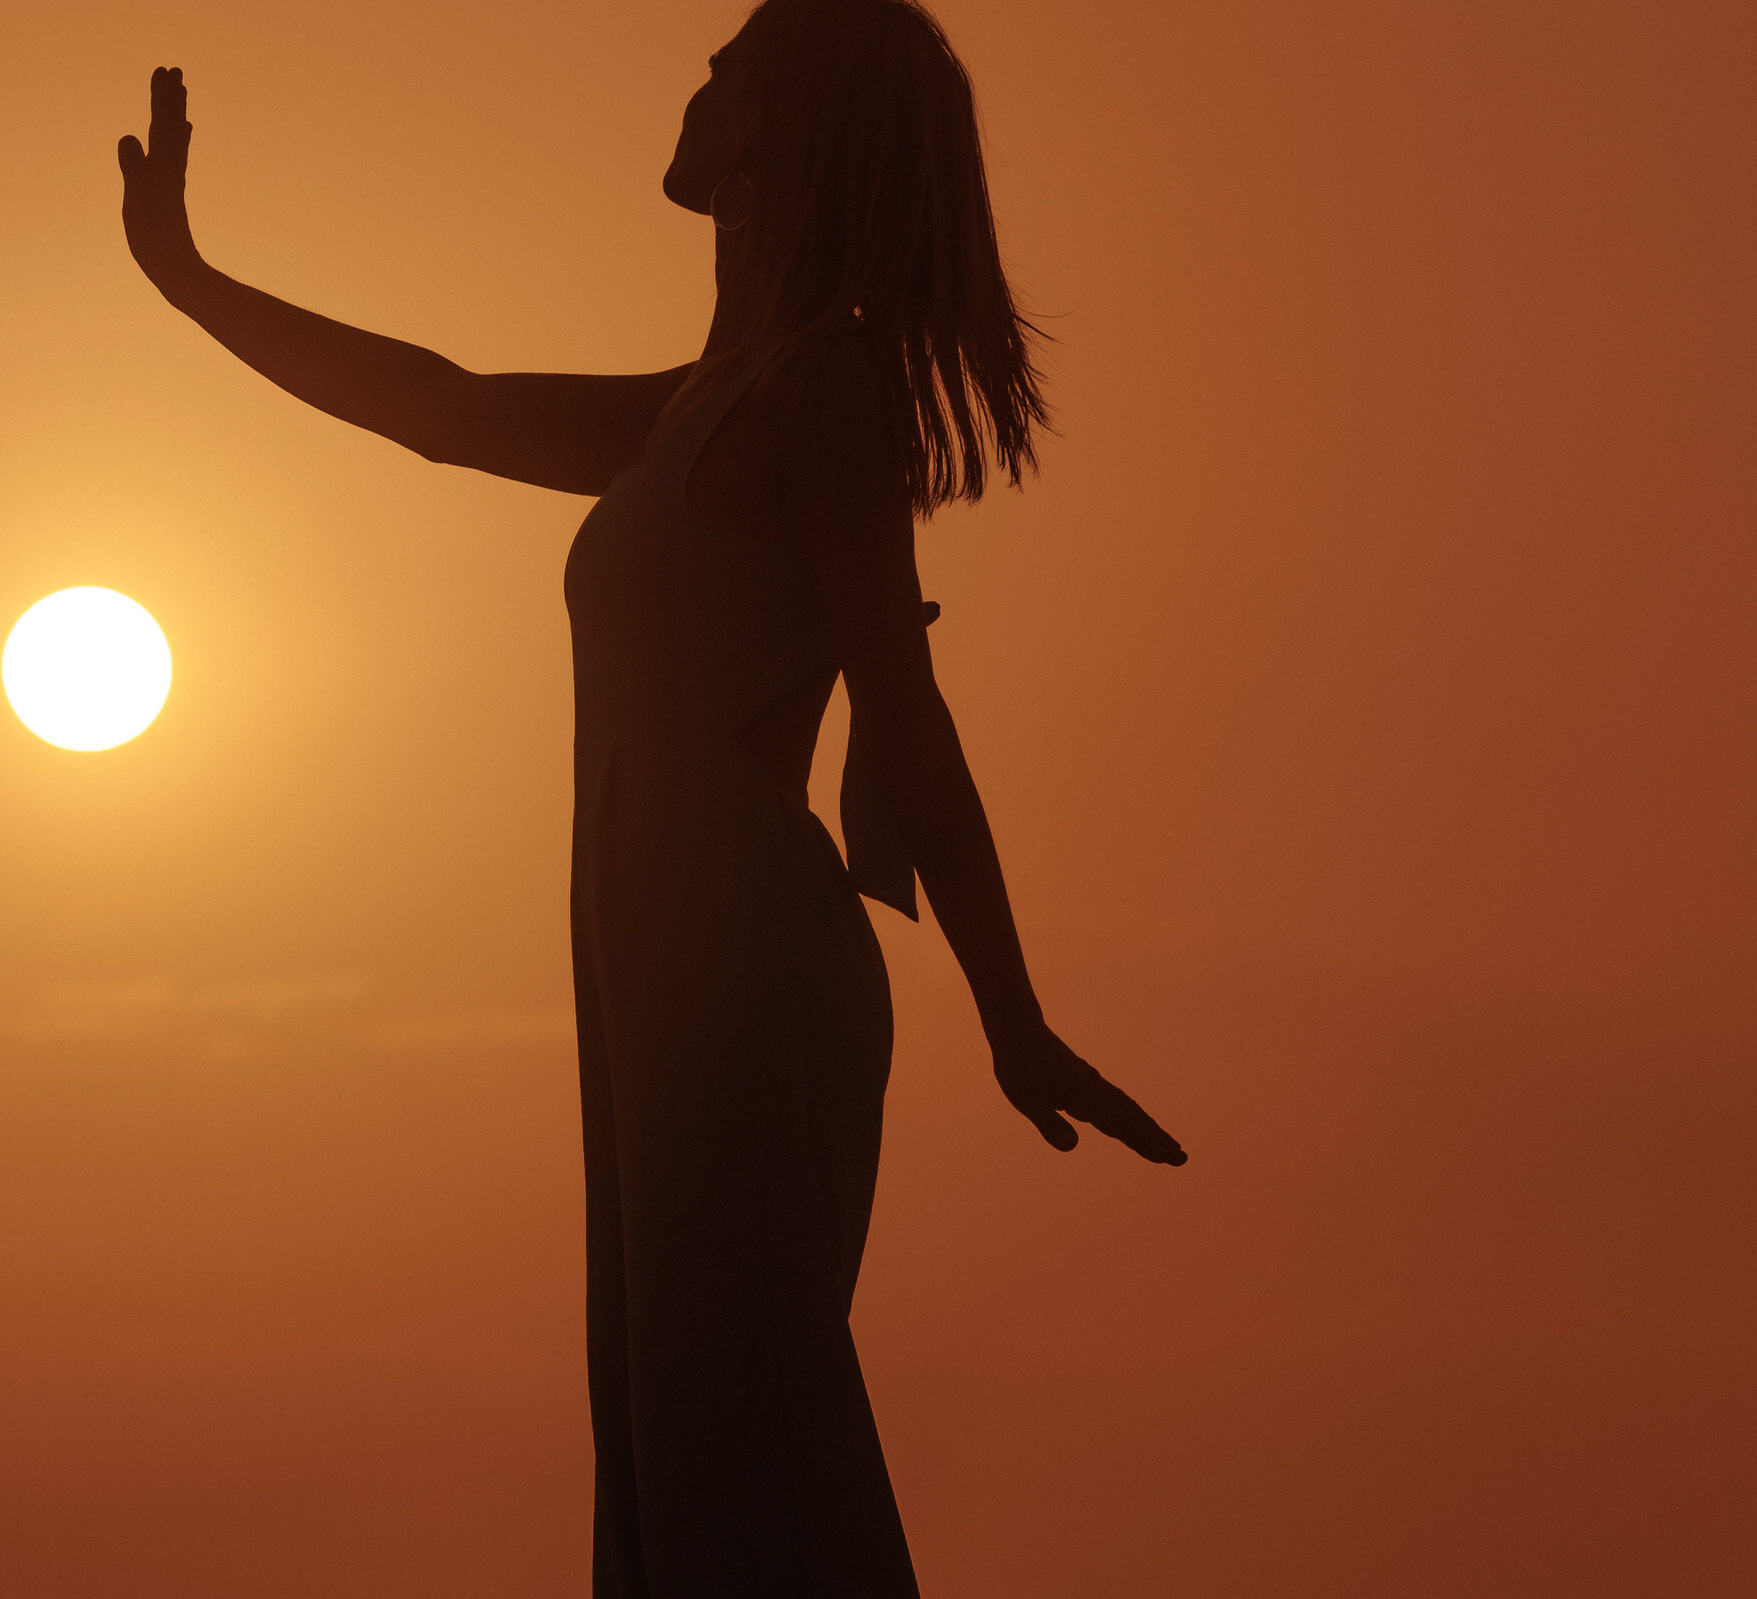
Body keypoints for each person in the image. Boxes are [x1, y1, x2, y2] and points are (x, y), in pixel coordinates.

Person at [117, 3, 1184, 1593]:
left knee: (750, 1430)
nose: (702, 72)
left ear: (783, 126)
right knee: (678, 1446)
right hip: (655, 950)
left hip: (743, 958)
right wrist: (190, 282)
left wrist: (1009, 1012)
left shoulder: (824, 397)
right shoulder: (703, 402)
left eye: (732, 59)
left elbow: (906, 706)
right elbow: (441, 403)